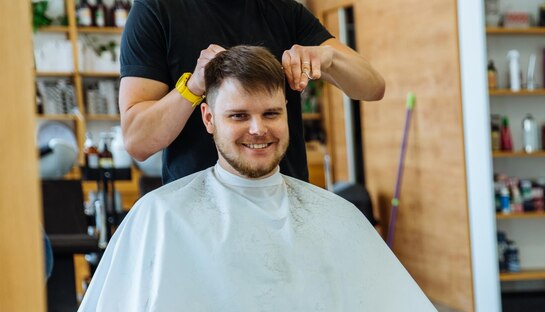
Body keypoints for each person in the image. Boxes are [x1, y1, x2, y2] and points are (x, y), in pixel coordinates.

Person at [63, 46, 509, 312]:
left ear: (287, 116)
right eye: (238, 115)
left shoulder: (336, 217)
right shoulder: (160, 219)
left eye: (271, 113)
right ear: (208, 120)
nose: (258, 129)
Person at [119, 0, 385, 184]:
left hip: (283, 207)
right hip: (199, 218)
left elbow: (373, 87)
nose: (256, 129)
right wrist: (194, 86)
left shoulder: (285, 13)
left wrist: (328, 57)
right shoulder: (155, 12)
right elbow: (137, 141)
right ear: (208, 117)